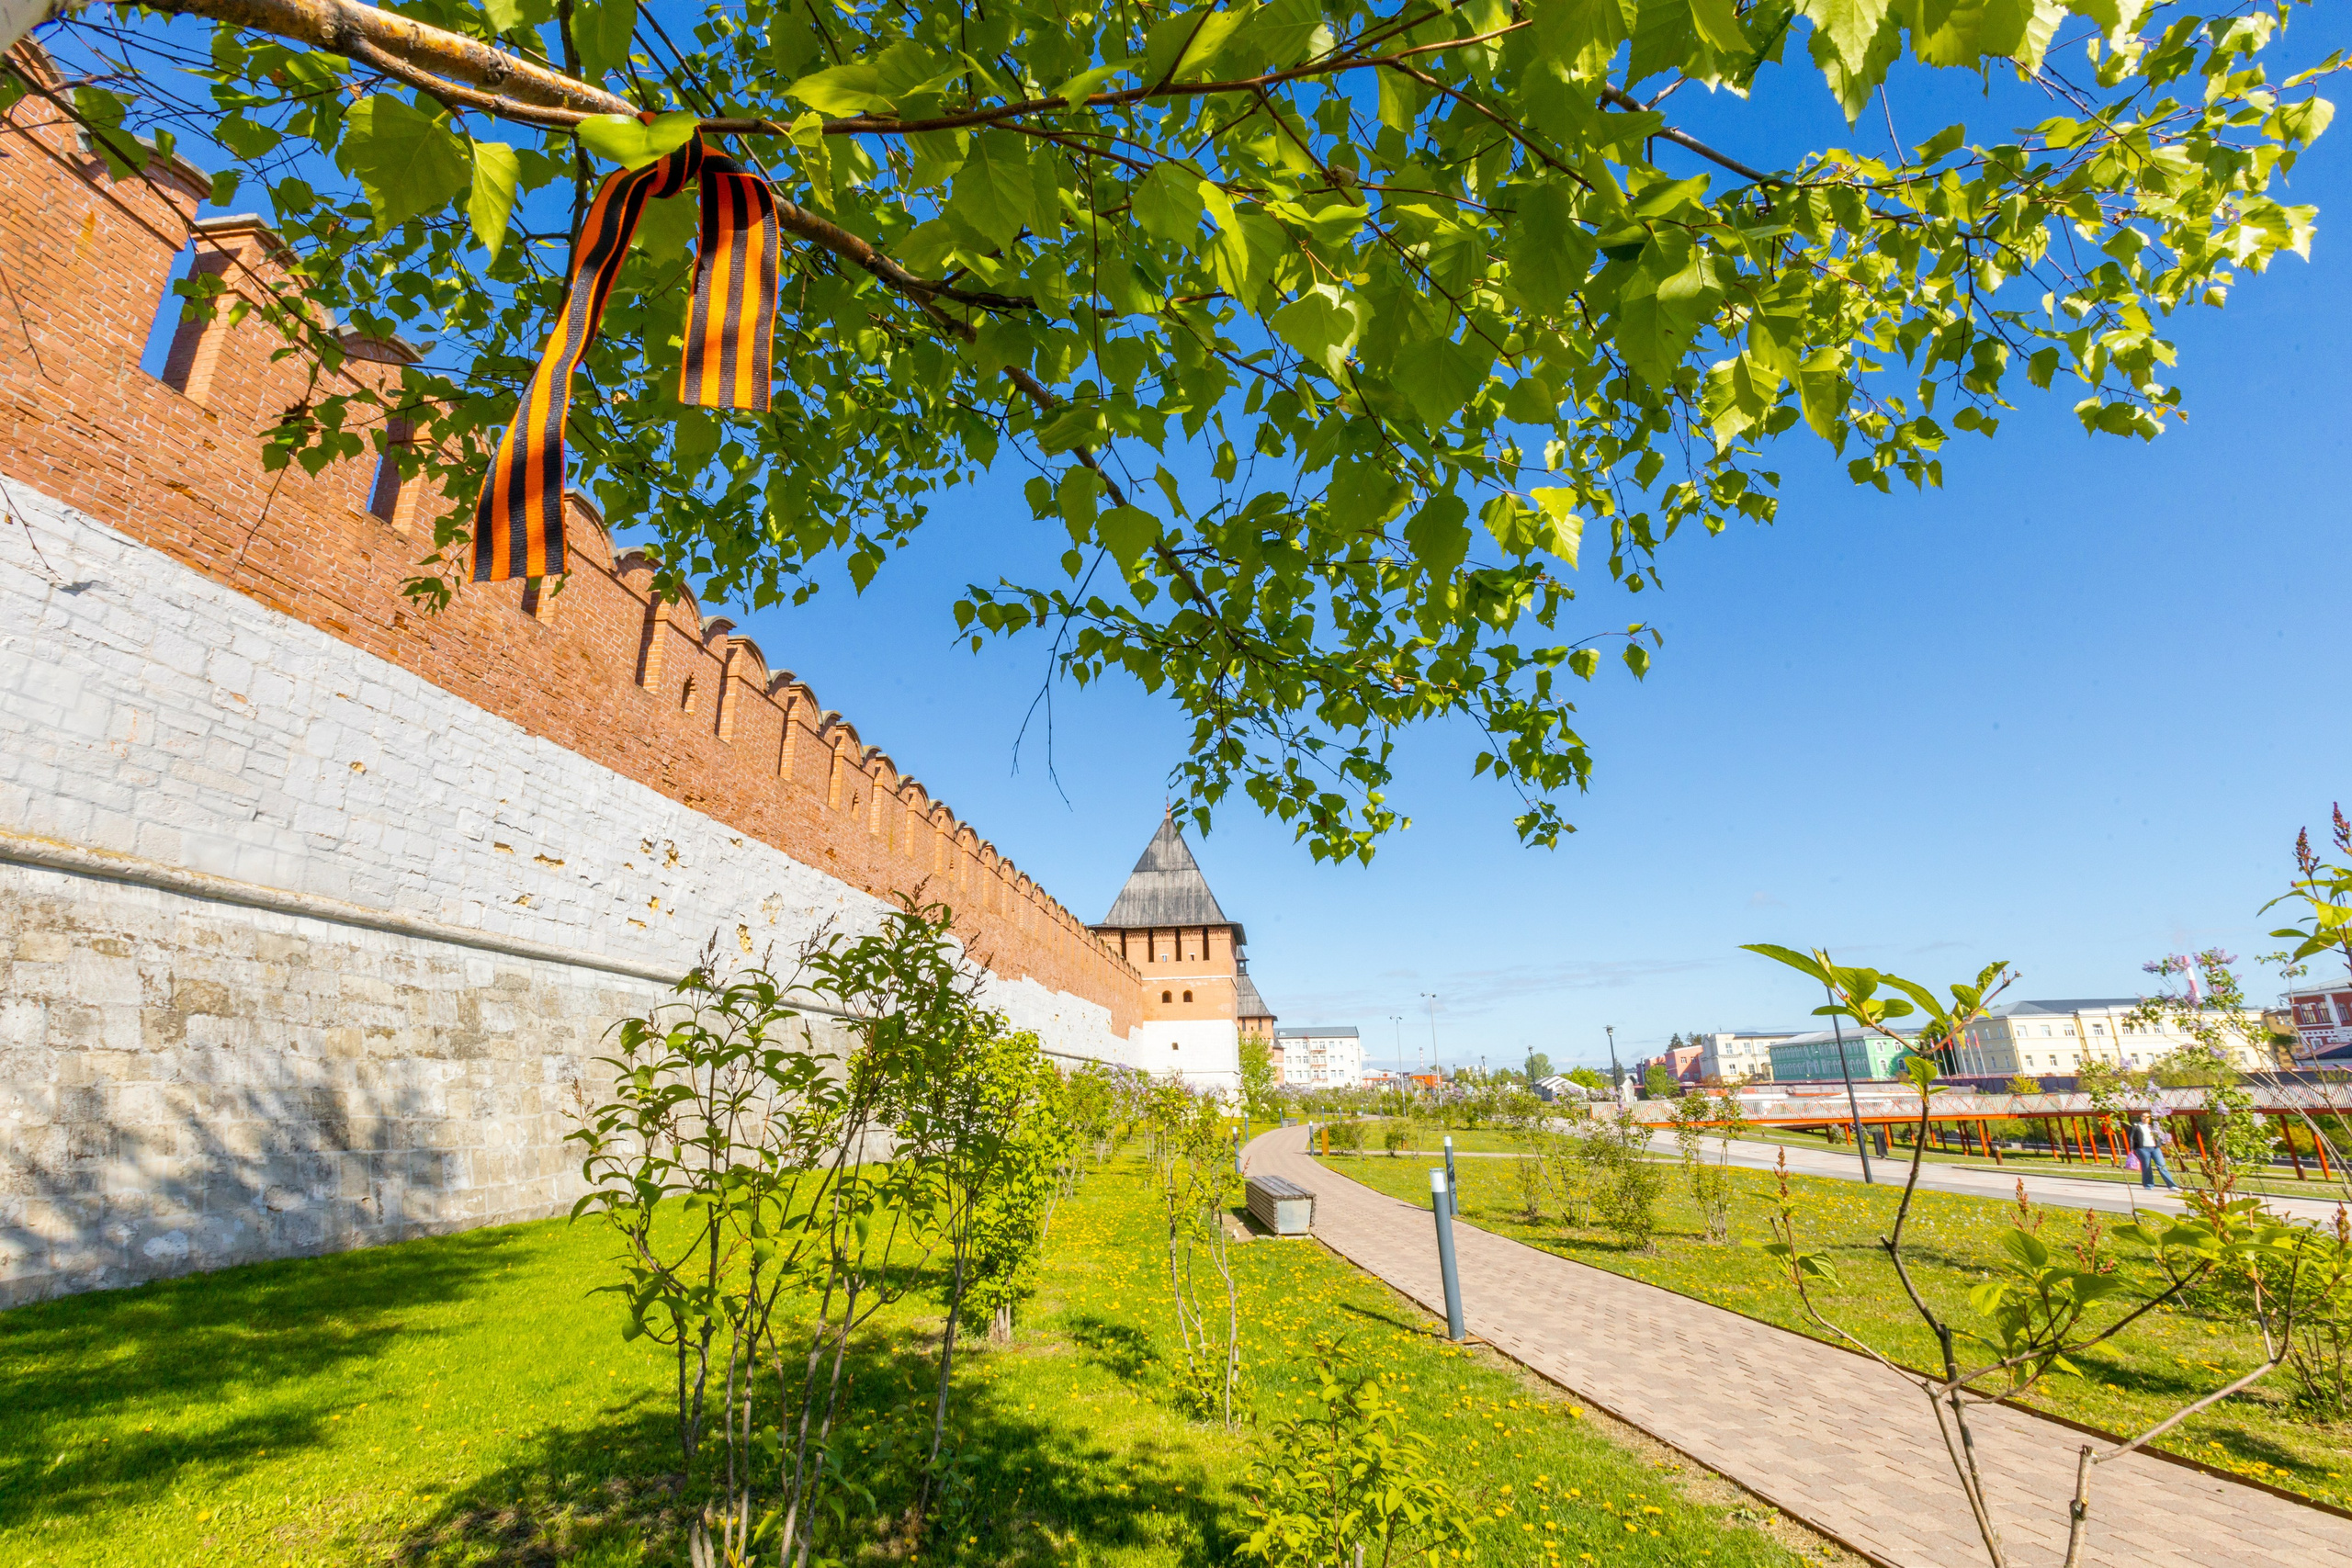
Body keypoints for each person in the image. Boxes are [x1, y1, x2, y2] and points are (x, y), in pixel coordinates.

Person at [2132, 1111, 2179, 1190]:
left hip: (2155, 1148)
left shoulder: (2153, 1126)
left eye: (2147, 1117)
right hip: (2143, 1148)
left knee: (2162, 1165)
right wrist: (2133, 1149)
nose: (2145, 1118)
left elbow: (2160, 1135)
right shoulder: (2136, 1126)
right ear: (2140, 1117)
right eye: (2143, 1116)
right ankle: (2148, 1185)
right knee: (2146, 1167)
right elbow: (2131, 1137)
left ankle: (2172, 1185)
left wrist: (2161, 1142)